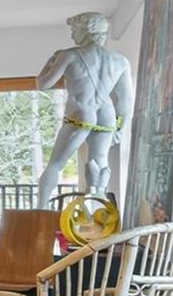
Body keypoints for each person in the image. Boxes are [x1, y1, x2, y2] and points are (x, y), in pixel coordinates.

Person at [35, 11, 134, 204]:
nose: (72, 35)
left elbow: (43, 84)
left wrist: (50, 62)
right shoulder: (120, 61)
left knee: (55, 164)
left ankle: (41, 209)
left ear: (86, 30)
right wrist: (120, 127)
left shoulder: (68, 55)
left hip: (81, 111)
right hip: (107, 115)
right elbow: (125, 102)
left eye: (75, 29)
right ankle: (97, 212)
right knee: (99, 162)